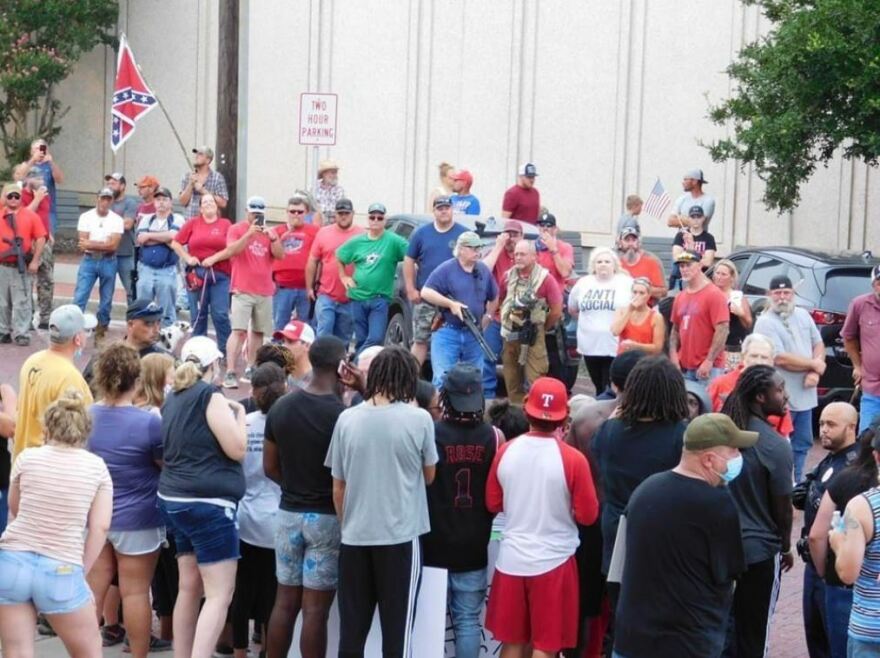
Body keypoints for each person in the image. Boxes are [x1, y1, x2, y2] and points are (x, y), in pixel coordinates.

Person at [324, 346, 438, 658]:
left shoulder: (347, 419)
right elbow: (429, 476)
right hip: (401, 537)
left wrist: (348, 525)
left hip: (355, 537)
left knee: (351, 635)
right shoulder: (419, 420)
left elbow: (338, 487)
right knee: (397, 636)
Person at [613, 414, 756, 658]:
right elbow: (729, 574)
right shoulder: (718, 504)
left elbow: (618, 565)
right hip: (688, 643)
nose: (737, 458)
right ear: (709, 459)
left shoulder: (645, 489)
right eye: (732, 451)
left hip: (633, 639)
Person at [485, 377, 599, 658]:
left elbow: (493, 502)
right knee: (545, 646)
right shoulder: (573, 459)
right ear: (565, 417)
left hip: (512, 558)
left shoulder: (506, 451)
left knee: (512, 642)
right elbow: (588, 516)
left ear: (526, 409)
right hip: (555, 561)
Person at [0, 391, 111, 658]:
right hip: (61, 563)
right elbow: (100, 528)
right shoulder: (97, 468)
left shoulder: (27, 457)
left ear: (48, 427)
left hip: (12, 560)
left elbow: (15, 507)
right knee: (89, 650)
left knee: (16, 651)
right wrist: (81, 572)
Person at [158, 336, 247, 658]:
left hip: (174, 499)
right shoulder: (210, 396)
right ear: (214, 365)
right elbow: (237, 449)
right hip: (209, 504)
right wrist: (238, 414)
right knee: (220, 593)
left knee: (189, 586)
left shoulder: (173, 397)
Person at [264, 336, 349, 658]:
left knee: (284, 603)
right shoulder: (342, 415)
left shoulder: (282, 406)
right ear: (342, 366)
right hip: (327, 517)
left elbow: (270, 467)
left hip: (288, 514)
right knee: (315, 611)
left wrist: (294, 485)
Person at [85, 343, 166, 658]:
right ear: (136, 379)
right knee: (135, 593)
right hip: (139, 518)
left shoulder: (88, 415)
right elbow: (164, 465)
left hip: (96, 517)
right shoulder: (149, 423)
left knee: (93, 589)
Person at [591, 356, 688, 619]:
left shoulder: (609, 431)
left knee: (621, 618)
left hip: (616, 535)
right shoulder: (680, 436)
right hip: (662, 539)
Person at [423, 363, 501, 658]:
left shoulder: (431, 433)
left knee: (429, 622)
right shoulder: (494, 436)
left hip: (434, 543)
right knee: (467, 621)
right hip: (474, 543)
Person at [721, 364, 794, 658]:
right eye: (780, 389)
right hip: (759, 553)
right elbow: (783, 509)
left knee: (721, 630)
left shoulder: (722, 432)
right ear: (761, 397)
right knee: (753, 635)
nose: (786, 396)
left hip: (719, 550)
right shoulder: (775, 445)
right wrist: (786, 546)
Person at [795, 402, 859, 658]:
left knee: (835, 645)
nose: (823, 430)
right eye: (821, 423)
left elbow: (843, 523)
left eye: (831, 424)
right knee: (817, 639)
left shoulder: (854, 469)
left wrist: (823, 568)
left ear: (851, 427)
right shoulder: (830, 459)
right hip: (814, 566)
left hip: (831, 570)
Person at [231, 363, 285, 658]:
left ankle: (239, 651)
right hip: (277, 517)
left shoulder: (245, 422)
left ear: (254, 392)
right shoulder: (287, 422)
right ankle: (266, 647)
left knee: (242, 590)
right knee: (272, 594)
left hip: (245, 517)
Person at [811, 427, 879, 658]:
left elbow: (848, 573)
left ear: (876, 455)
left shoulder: (861, 506)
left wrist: (839, 543)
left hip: (871, 628)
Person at [754, 274, 825, 482]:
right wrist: (814, 365)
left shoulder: (803, 315)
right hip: (781, 399)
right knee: (780, 445)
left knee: (803, 444)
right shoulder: (765, 322)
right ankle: (781, 485)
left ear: (793, 293)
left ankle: (797, 484)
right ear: (769, 295)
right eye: (777, 293)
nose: (782, 297)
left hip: (806, 395)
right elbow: (780, 358)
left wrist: (814, 372)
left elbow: (818, 344)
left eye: (786, 292)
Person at [213, 196, 283, 387]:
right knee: (238, 330)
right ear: (247, 212)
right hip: (242, 288)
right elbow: (232, 250)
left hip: (264, 289)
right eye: (253, 213)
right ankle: (230, 370)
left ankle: (251, 367)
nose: (256, 217)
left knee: (259, 332)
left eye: (259, 214)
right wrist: (248, 234)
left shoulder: (270, 231)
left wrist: (274, 239)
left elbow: (280, 255)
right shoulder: (236, 229)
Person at [13, 304, 95, 459]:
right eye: (85, 331)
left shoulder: (32, 361)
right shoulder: (70, 377)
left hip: (23, 458)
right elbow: (81, 430)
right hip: (47, 465)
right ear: (77, 339)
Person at [420, 231, 499, 388]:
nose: (478, 252)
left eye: (479, 248)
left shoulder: (483, 270)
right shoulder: (446, 269)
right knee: (443, 378)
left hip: (474, 333)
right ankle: (440, 411)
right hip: (448, 332)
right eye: (473, 248)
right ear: (461, 249)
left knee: (474, 379)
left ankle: (470, 412)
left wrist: (488, 317)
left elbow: (494, 295)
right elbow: (426, 292)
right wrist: (451, 304)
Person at [403, 195, 468, 365]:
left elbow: (473, 262)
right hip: (426, 299)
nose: (444, 211)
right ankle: (411, 381)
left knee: (453, 342)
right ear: (434, 211)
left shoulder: (463, 234)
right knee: (420, 340)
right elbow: (409, 260)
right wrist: (410, 289)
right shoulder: (421, 234)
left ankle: (452, 385)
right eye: (440, 208)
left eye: (447, 207)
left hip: (454, 301)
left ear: (452, 209)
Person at [336, 202, 408, 353]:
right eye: (372, 217)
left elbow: (412, 253)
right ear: (368, 219)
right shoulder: (357, 241)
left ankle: (357, 364)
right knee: (361, 338)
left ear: (384, 220)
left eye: (379, 218)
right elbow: (340, 256)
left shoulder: (394, 241)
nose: (375, 220)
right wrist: (344, 277)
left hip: (379, 298)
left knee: (375, 338)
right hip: (358, 297)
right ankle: (362, 371)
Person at [500, 240, 563, 403]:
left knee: (536, 377)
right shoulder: (508, 277)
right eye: (516, 254)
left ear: (534, 257)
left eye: (523, 254)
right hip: (510, 334)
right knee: (512, 377)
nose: (518, 257)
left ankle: (537, 412)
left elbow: (556, 310)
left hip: (533, 335)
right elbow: (500, 300)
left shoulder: (545, 279)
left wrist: (541, 327)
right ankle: (515, 412)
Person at [171, 192, 233, 356]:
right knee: (198, 314)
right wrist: (187, 257)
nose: (208, 204)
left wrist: (214, 258)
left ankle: (224, 350)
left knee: (220, 314)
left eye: (211, 201)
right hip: (197, 275)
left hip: (220, 275)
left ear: (217, 205)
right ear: (200, 208)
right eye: (204, 202)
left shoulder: (226, 224)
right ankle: (198, 351)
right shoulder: (193, 223)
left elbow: (231, 249)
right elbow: (175, 243)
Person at [569, 246, 633, 394]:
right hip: (589, 345)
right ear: (593, 266)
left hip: (614, 345)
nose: (603, 264)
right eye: (599, 262)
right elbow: (573, 309)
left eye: (607, 261)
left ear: (614, 265)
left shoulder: (626, 283)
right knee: (598, 385)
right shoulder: (583, 283)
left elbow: (635, 308)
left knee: (609, 386)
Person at [708, 333, 795, 437]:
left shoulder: (777, 389)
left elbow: (784, 434)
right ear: (743, 357)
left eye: (764, 357)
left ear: (772, 361)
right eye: (754, 356)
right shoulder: (720, 384)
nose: (758, 362)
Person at [669, 250, 730, 392]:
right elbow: (675, 330)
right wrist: (673, 356)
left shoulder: (714, 294)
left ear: (700, 265)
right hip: (685, 367)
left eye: (688, 265)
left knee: (707, 410)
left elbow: (723, 329)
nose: (684, 269)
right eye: (681, 266)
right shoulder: (680, 297)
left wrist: (709, 361)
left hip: (708, 368)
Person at [306, 198, 365, 341]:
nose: (343, 216)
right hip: (326, 294)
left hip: (350, 297)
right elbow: (312, 261)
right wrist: (309, 288)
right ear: (335, 215)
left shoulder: (362, 235)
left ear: (353, 214)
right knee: (323, 333)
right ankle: (319, 363)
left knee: (343, 338)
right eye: (340, 213)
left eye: (346, 213)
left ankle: (339, 363)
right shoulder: (323, 233)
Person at [73, 188, 124, 344]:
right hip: (89, 260)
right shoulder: (86, 216)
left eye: (108, 199)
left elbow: (113, 246)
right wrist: (103, 243)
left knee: (106, 298)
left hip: (109, 260)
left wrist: (92, 243)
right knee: (80, 295)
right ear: (97, 199)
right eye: (103, 198)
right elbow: (83, 244)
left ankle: (102, 327)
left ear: (112, 201)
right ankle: (73, 327)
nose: (105, 202)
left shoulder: (117, 219)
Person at [82, 299, 171, 387]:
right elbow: (86, 390)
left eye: (158, 323)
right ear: (130, 325)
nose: (156, 330)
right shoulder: (108, 357)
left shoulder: (164, 360)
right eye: (149, 324)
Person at [0, 182, 46, 346]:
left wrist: (35, 260)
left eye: (16, 196)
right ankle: (3, 331)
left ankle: (21, 333)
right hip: (3, 265)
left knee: (22, 301)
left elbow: (41, 237)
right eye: (9, 196)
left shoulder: (30, 216)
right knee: (2, 302)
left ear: (20, 198)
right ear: (5, 198)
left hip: (21, 266)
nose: (13, 199)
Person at [482, 219, 524, 398]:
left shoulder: (527, 254)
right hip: (496, 315)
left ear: (521, 237)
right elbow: (483, 270)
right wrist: (499, 246)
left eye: (514, 235)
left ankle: (516, 398)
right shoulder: (495, 252)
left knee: (516, 360)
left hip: (518, 318)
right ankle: (488, 397)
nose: (511, 239)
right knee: (487, 356)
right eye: (508, 234)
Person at [135, 186, 183, 328]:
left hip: (166, 270)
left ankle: (167, 342)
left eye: (164, 199)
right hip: (146, 269)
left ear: (170, 202)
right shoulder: (147, 219)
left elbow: (174, 237)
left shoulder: (177, 218)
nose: (161, 202)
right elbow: (141, 239)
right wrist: (164, 238)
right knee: (143, 308)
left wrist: (150, 235)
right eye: (158, 199)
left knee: (166, 311)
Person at [272, 196, 320, 330]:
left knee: (306, 329)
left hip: (306, 288)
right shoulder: (276, 231)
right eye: (292, 211)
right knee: (280, 328)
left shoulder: (315, 231)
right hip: (282, 287)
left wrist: (316, 285)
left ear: (307, 213)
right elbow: (268, 257)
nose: (296, 215)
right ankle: (280, 352)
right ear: (287, 212)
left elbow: (320, 258)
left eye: (300, 212)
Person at [843, 264, 880, 432]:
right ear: (873, 284)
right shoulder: (859, 304)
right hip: (872, 389)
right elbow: (849, 337)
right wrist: (857, 366)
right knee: (866, 440)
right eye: (879, 282)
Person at [19, 167, 54, 330]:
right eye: (36, 178)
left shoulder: (44, 195)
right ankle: (28, 316)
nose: (41, 180)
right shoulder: (21, 196)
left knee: (46, 281)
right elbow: (23, 215)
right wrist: (37, 199)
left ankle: (45, 317)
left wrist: (50, 233)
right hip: (29, 243)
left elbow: (45, 215)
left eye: (42, 177)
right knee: (28, 282)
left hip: (45, 242)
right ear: (27, 179)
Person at [13, 138, 63, 239]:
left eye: (42, 148)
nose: (39, 151)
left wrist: (51, 163)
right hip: (29, 206)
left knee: (47, 240)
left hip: (48, 209)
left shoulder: (50, 166)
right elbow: (19, 177)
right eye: (36, 149)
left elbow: (60, 180)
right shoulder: (27, 165)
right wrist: (33, 160)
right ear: (31, 151)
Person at [103, 172, 141, 303]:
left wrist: (107, 223)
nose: (109, 186)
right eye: (108, 183)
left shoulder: (130, 203)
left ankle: (134, 319)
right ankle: (103, 320)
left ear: (122, 186)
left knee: (132, 289)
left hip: (126, 253)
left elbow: (128, 224)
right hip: (107, 253)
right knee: (106, 291)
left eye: (113, 183)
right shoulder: (104, 202)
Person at [713, 258, 753, 369]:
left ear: (731, 277)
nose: (719, 277)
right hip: (710, 348)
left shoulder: (737, 296)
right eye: (717, 273)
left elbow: (748, 323)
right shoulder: (710, 294)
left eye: (724, 274)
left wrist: (741, 313)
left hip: (731, 350)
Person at [610, 277, 664, 355]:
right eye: (635, 292)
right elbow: (615, 331)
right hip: (623, 360)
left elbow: (657, 348)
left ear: (648, 295)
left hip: (644, 361)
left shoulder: (656, 317)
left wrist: (636, 346)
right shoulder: (621, 310)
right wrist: (629, 310)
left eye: (641, 293)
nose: (637, 296)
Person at [616, 226, 667, 302]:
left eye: (634, 240)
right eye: (627, 240)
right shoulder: (615, 264)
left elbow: (663, 292)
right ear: (620, 243)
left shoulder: (651, 261)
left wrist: (642, 288)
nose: (630, 243)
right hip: (621, 307)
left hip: (646, 308)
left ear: (638, 242)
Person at [179, 146, 229, 218]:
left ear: (208, 160)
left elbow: (223, 203)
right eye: (196, 154)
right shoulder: (187, 176)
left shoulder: (217, 178)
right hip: (190, 222)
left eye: (200, 154)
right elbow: (182, 202)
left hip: (210, 222)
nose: (196, 156)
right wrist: (190, 184)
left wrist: (203, 190)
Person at [273, 320, 315, 389]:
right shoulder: (279, 376)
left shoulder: (317, 383)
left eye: (290, 341)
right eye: (283, 341)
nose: (283, 346)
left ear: (307, 346)